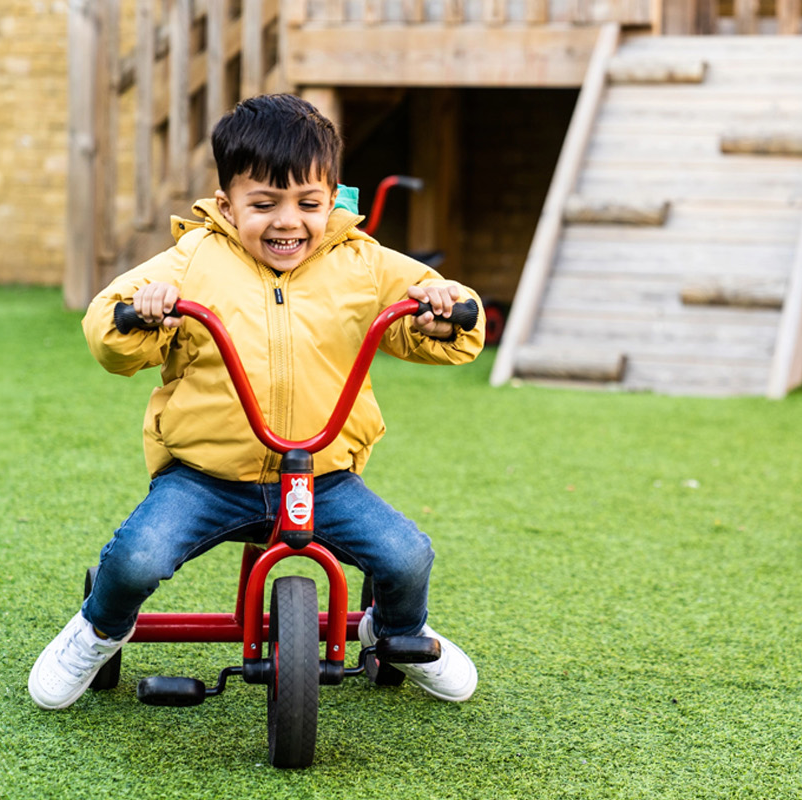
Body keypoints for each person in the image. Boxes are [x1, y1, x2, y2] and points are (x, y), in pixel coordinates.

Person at [28, 94, 484, 709]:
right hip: (208, 477)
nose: (287, 222)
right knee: (136, 559)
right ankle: (98, 630)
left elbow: (442, 302)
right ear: (227, 205)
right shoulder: (194, 259)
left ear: (332, 198)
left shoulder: (363, 264)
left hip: (322, 477)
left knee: (407, 556)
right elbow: (108, 325)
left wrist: (446, 313)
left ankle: (396, 631)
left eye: (308, 204)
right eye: (264, 204)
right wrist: (143, 313)